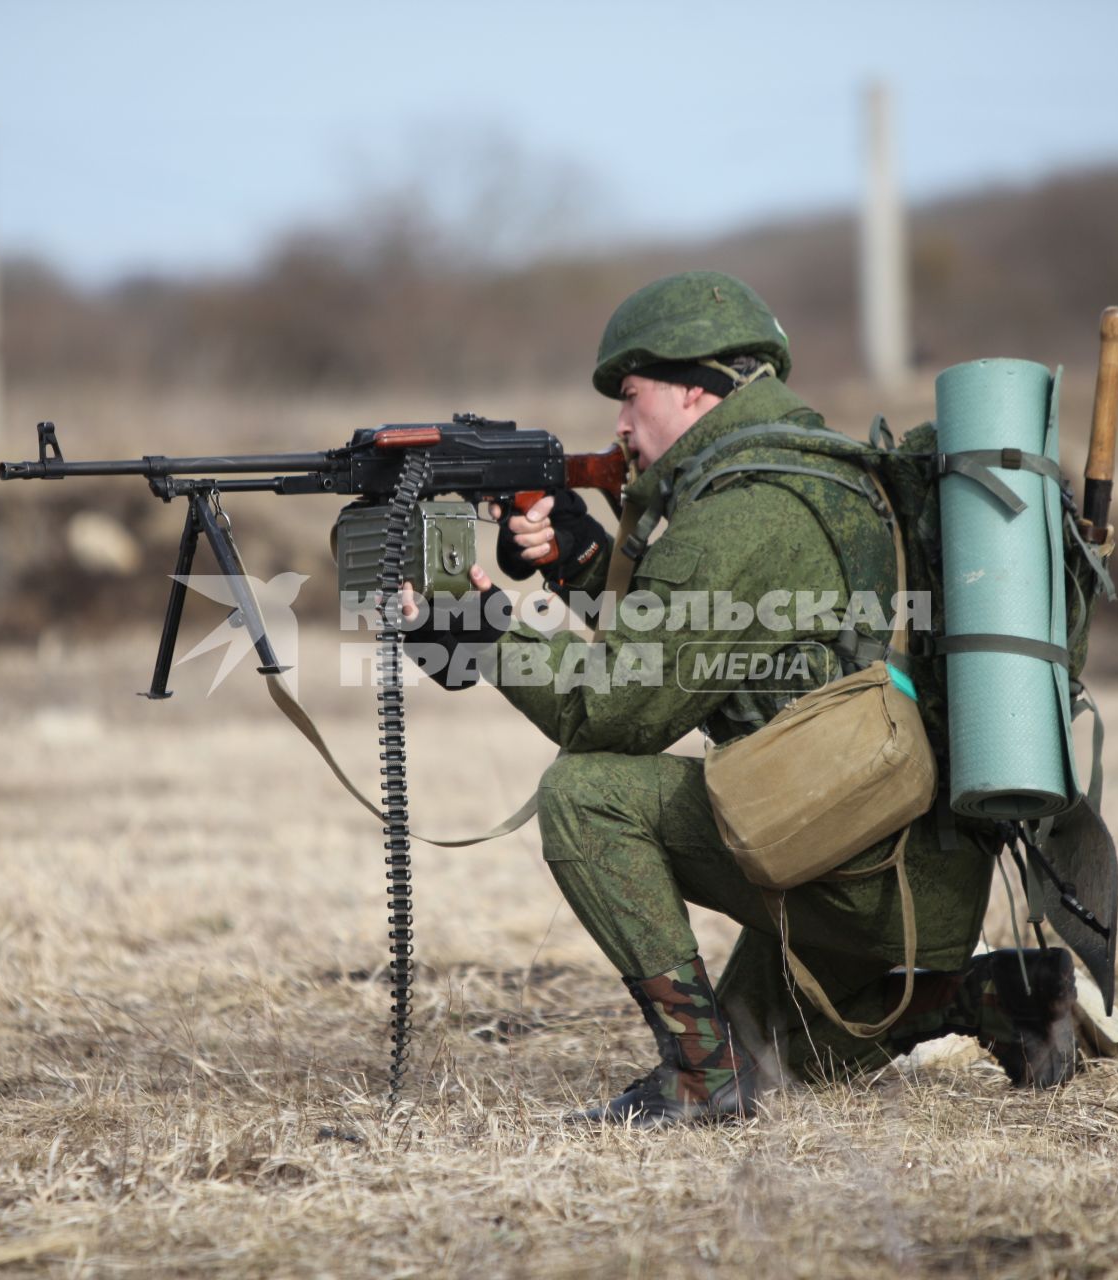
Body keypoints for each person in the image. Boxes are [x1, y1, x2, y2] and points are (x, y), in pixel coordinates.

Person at [404, 271, 1079, 1127]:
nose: (618, 420)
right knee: (761, 1050)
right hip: (917, 869)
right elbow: (706, 638)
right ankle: (998, 996)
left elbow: (612, 709)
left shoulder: (744, 514)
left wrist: (479, 629)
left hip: (855, 871)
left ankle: (696, 1080)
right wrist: (575, 557)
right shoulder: (810, 475)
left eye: (632, 393)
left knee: (585, 793)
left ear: (698, 388)